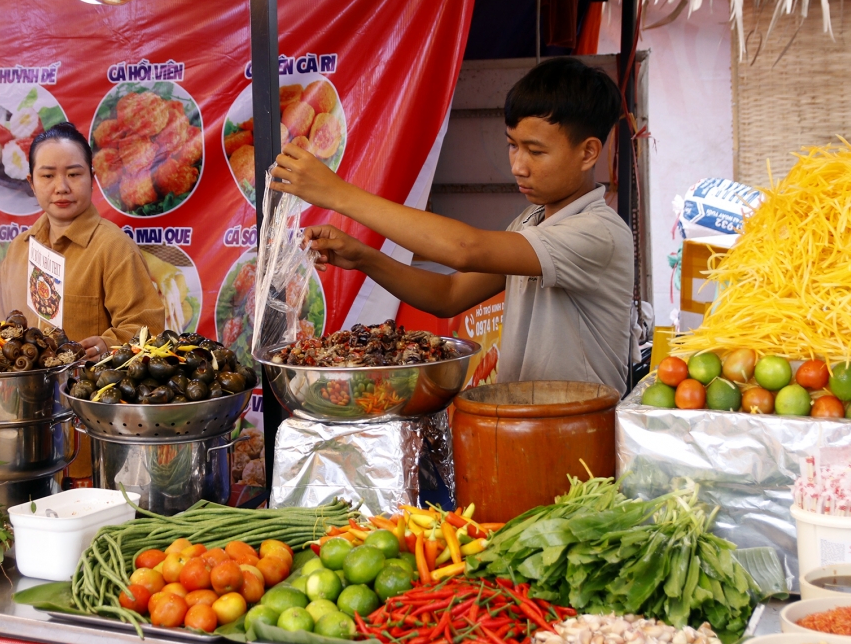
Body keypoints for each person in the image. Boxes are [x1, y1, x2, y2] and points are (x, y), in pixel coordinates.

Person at [271, 57, 633, 393]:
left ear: (588, 153)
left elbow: (465, 250)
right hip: (524, 426)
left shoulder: (598, 231)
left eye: (536, 152)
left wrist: (336, 193)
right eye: (512, 146)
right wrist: (365, 257)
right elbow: (449, 296)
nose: (518, 166)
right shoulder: (531, 221)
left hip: (579, 434)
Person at [0, 122, 164, 361]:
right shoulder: (19, 248)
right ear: (31, 183)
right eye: (47, 176)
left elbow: (149, 332)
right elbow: (6, 324)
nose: (61, 187)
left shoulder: (114, 247)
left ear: (92, 179)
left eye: (74, 174)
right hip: (24, 391)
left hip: (87, 393)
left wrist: (108, 345)